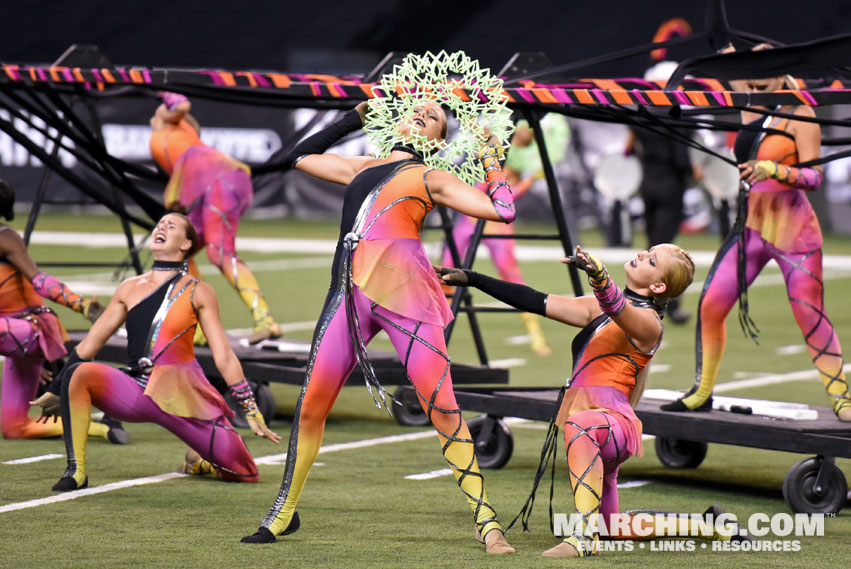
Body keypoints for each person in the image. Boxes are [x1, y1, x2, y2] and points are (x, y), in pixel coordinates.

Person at [239, 100, 515, 554]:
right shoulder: (362, 166)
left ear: (437, 142)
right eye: (417, 111)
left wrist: (490, 156)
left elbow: (502, 211)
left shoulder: (433, 177)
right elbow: (299, 156)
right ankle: (283, 512)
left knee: (442, 407)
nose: (421, 115)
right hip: (348, 294)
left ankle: (488, 523)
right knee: (311, 406)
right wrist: (353, 118)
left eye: (434, 119)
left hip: (407, 295)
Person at [439, 245, 747, 557]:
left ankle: (584, 539)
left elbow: (618, 309)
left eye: (651, 260)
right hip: (598, 427)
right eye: (648, 251)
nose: (641, 254)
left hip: (611, 425)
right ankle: (710, 525)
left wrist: (600, 277)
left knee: (581, 424)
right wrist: (475, 279)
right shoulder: (597, 308)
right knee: (611, 527)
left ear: (658, 287)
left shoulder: (650, 324)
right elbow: (534, 300)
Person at [662, 43, 851, 421]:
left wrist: (775, 170)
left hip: (794, 235)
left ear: (782, 73)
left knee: (810, 315)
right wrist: (724, 54)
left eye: (763, 79)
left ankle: (842, 398)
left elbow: (815, 177)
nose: (755, 85)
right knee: (711, 306)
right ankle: (702, 391)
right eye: (749, 78)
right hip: (749, 229)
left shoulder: (801, 112)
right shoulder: (750, 101)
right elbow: (721, 69)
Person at [31, 212, 280, 492]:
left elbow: (223, 356)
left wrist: (250, 407)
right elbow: (89, 346)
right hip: (136, 390)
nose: (161, 228)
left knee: (245, 473)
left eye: (170, 226)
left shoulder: (199, 291)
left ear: (186, 244)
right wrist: (56, 388)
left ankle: (199, 462)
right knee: (80, 373)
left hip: (183, 395)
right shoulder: (128, 288)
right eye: (159, 224)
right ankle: (76, 471)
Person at [149, 92, 282, 345]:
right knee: (179, 252)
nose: (153, 116)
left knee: (219, 253)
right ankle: (197, 328)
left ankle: (266, 320)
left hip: (222, 181)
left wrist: (163, 92)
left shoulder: (168, 122)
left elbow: (181, 103)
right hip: (217, 185)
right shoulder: (182, 140)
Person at [0, 179, 126, 443]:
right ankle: (98, 425)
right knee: (15, 428)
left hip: (30, 328)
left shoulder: (5, 237)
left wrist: (81, 306)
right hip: (13, 337)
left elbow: (41, 281)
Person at [441, 115, 570, 356]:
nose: (522, 134)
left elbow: (511, 198)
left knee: (510, 276)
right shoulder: (496, 144)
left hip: (496, 222)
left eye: (527, 131)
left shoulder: (526, 165)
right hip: (470, 216)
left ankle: (535, 334)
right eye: (520, 130)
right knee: (446, 270)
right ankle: (437, 329)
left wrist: (529, 179)